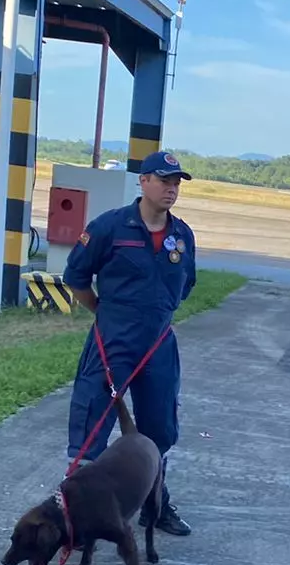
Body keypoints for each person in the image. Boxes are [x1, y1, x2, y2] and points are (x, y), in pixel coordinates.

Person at [60, 149, 197, 537]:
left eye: (176, 183)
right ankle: (74, 516)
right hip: (112, 341)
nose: (171, 189)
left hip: (157, 344)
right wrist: (105, 314)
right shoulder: (110, 227)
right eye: (164, 180)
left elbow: (183, 287)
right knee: (92, 428)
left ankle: (155, 505)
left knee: (158, 429)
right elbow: (77, 278)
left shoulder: (181, 236)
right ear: (143, 181)